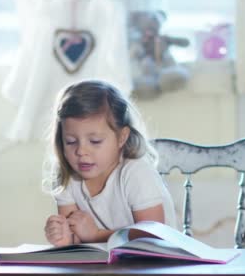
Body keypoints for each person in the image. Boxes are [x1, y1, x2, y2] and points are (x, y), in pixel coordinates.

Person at [43, 80, 176, 246]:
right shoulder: (67, 176)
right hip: (107, 267)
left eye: (95, 141)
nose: (81, 151)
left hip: (158, 265)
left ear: (121, 137)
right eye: (70, 141)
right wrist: (65, 237)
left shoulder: (136, 173)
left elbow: (153, 236)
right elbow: (77, 239)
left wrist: (96, 235)